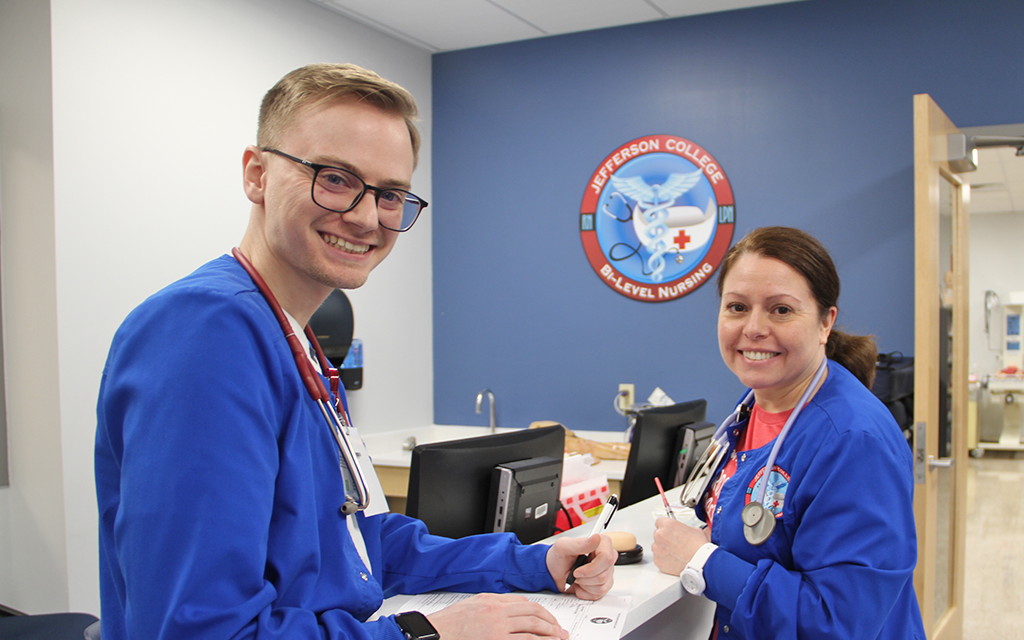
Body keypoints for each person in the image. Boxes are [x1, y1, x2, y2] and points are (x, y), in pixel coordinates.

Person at [95, 63, 615, 640]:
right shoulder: (205, 333)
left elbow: (355, 550)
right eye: (336, 178)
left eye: (389, 194)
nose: (367, 217)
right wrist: (429, 634)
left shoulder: (299, 343)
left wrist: (529, 563)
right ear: (256, 174)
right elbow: (202, 632)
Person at [651, 226, 925, 639]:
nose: (754, 328)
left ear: (824, 322)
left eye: (781, 310)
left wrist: (702, 561)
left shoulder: (853, 441)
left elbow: (838, 622)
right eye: (737, 307)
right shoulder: (752, 409)